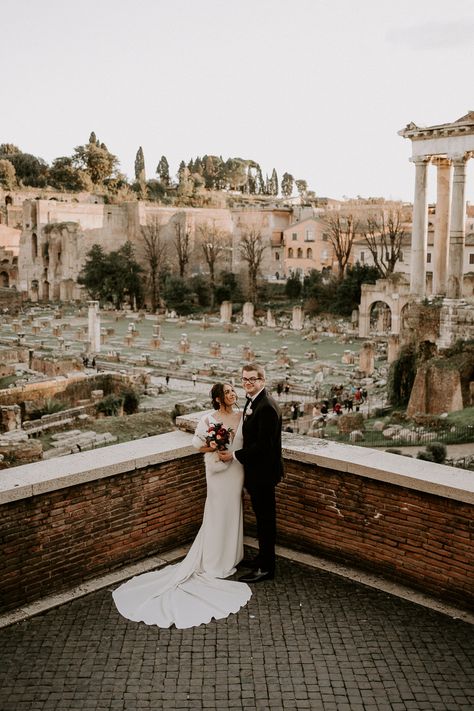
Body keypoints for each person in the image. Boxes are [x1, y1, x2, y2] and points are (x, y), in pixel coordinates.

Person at [112, 383, 251, 629]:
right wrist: (215, 446)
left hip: (237, 470)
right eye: (228, 391)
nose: (233, 394)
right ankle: (213, 561)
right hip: (217, 472)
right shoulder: (208, 418)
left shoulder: (242, 415)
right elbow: (198, 445)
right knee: (217, 511)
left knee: (233, 510)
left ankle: (231, 555)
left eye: (233, 391)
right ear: (219, 398)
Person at [220, 362, 283, 583]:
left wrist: (234, 456)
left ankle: (267, 568)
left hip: (264, 474)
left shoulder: (266, 406)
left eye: (252, 379)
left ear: (262, 381)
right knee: (261, 517)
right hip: (256, 472)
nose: (247, 383)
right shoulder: (253, 402)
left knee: (266, 521)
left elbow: (263, 447)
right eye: (244, 379)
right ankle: (262, 558)